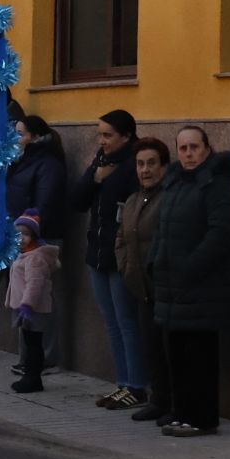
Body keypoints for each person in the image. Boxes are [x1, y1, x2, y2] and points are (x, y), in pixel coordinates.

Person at [148, 125, 230, 438]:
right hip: (171, 287)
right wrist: (156, 260)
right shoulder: (174, 183)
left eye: (194, 147)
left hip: (201, 288)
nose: (188, 154)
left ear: (207, 149)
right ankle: (182, 411)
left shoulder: (217, 184)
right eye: (183, 148)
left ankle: (201, 417)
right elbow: (163, 227)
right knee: (177, 356)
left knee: (199, 357)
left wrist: (191, 267)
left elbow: (221, 234)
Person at [71, 109, 147, 409]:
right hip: (97, 252)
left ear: (126, 136)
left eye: (108, 135)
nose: (102, 141)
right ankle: (123, 382)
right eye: (100, 134)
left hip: (121, 254)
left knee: (127, 321)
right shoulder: (102, 162)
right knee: (112, 322)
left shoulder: (134, 164)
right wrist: (95, 177)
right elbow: (77, 200)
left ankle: (137, 385)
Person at [116, 137, 172, 424]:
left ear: (163, 166)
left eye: (151, 163)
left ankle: (173, 403)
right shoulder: (134, 200)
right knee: (150, 346)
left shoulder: (169, 198)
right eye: (140, 164)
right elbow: (122, 239)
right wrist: (126, 268)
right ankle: (158, 400)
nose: (145, 169)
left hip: (165, 287)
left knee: (169, 350)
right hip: (141, 288)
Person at [6, 210, 59, 394]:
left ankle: (33, 378)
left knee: (34, 344)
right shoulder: (23, 254)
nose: (22, 238)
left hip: (31, 308)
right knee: (30, 343)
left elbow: (35, 284)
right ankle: (29, 376)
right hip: (25, 308)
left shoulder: (35, 258)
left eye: (26, 234)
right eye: (18, 234)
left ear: (35, 236)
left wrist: (27, 304)